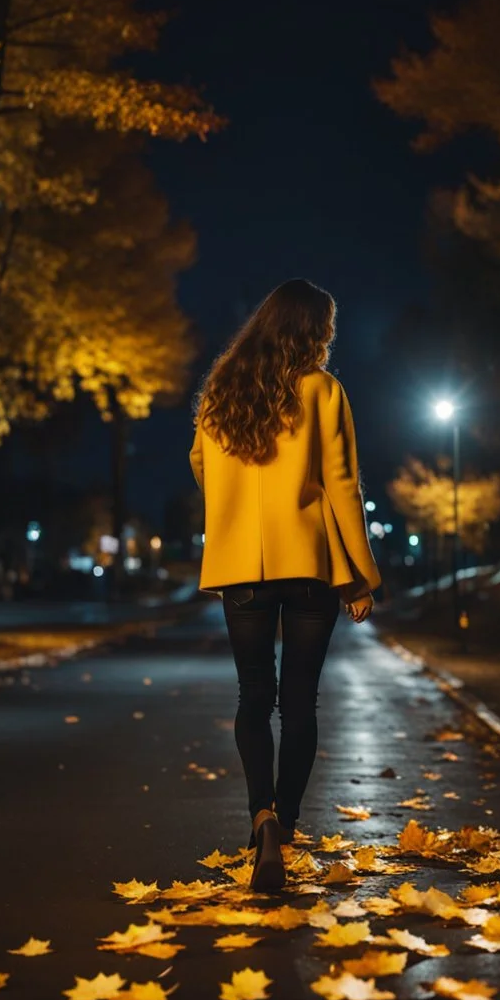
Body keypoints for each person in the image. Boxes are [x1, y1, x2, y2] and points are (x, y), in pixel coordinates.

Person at [188, 278, 381, 892]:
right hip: (310, 566)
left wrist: (233, 512)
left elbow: (199, 463)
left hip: (242, 568)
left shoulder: (223, 389)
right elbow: (344, 483)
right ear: (313, 330)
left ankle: (261, 814)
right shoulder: (323, 390)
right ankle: (288, 824)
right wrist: (361, 575)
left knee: (253, 696)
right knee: (300, 701)